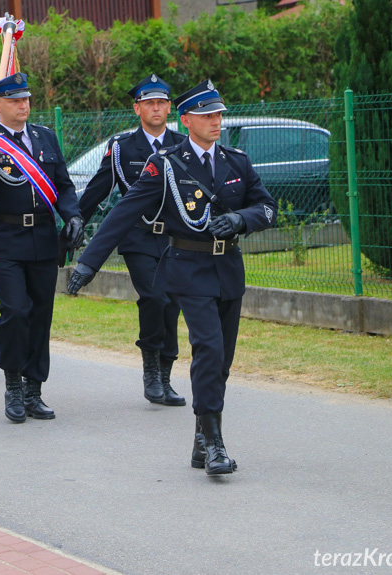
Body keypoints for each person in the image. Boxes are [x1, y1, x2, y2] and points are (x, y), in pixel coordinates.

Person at [68, 79, 278, 475]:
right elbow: (124, 212)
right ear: (187, 120)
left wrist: (240, 219)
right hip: (188, 269)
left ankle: (202, 437)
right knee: (209, 350)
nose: (216, 121)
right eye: (207, 115)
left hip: (228, 271)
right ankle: (215, 445)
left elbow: (267, 209)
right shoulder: (166, 163)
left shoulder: (236, 161)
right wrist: (87, 264)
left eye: (219, 114)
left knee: (222, 362)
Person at [0, 73, 84, 423]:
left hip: (43, 240)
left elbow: (62, 185)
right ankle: (13, 384)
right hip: (6, 239)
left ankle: (34, 389)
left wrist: (72, 217)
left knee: (41, 315)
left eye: (26, 99)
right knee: (15, 311)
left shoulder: (45, 137)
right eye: (15, 100)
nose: (23, 105)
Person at [73, 74, 186, 407]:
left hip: (174, 239)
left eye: (162, 103)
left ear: (169, 108)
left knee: (172, 302)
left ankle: (166, 375)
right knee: (154, 296)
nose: (156, 108)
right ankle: (151, 370)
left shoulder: (183, 145)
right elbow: (97, 190)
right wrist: (77, 218)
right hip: (137, 237)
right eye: (149, 103)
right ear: (137, 108)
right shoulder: (122, 148)